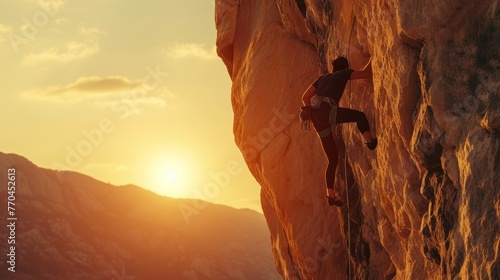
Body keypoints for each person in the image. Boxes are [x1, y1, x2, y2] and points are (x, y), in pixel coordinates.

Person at [300, 56, 377, 207]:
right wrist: (374, 55)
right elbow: (366, 74)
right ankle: (371, 142)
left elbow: (305, 97)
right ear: (345, 67)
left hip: (317, 121)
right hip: (328, 113)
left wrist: (313, 109)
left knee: (332, 159)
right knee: (359, 116)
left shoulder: (322, 79)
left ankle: (330, 195)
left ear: (333, 68)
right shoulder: (343, 73)